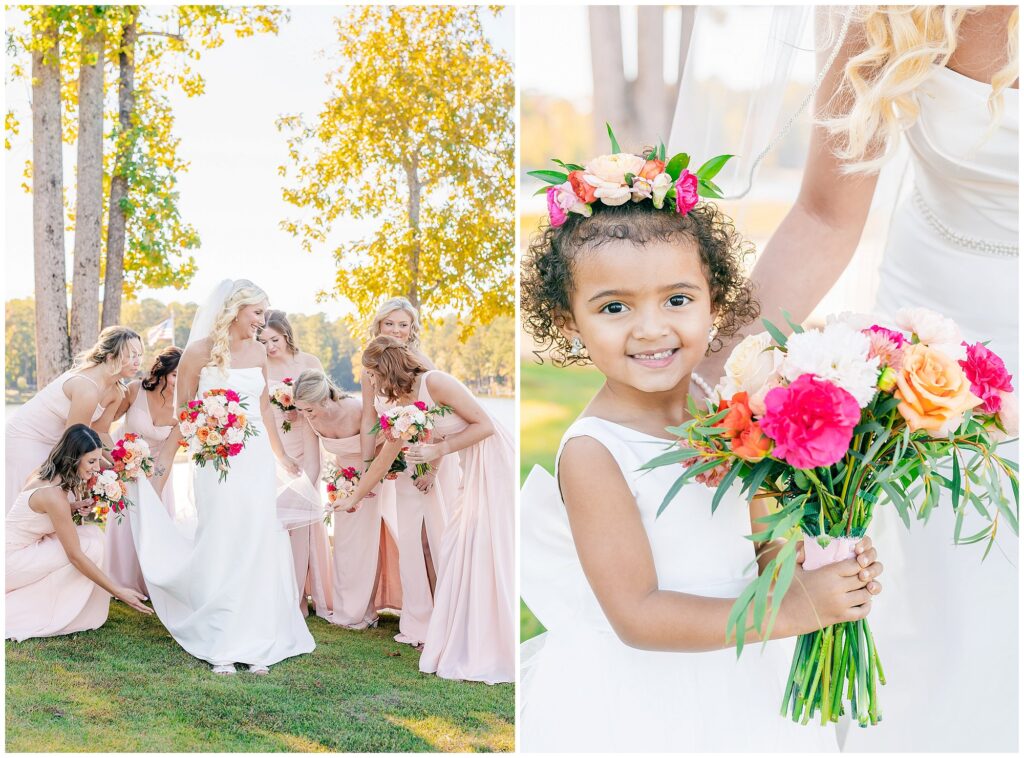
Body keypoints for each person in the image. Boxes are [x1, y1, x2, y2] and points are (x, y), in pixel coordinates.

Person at [691, 7, 1017, 751]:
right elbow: (824, 214)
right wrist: (714, 381)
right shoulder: (885, 8)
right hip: (932, 345)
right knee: (934, 625)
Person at [517, 140, 884, 750]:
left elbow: (771, 556)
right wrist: (795, 612)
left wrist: (827, 563)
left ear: (715, 298)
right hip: (651, 703)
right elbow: (638, 614)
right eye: (614, 307)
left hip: (749, 678)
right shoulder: (594, 452)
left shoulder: (732, 412)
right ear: (567, 323)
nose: (652, 327)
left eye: (678, 299)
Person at [138, 279, 315, 675]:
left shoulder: (257, 352)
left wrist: (281, 455)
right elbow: (183, 410)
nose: (261, 321)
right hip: (213, 459)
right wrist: (206, 433)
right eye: (256, 312)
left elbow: (265, 408)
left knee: (255, 537)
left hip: (253, 459)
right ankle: (219, 634)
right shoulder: (198, 353)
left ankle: (254, 636)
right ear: (235, 310)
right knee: (222, 536)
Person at [6, 424, 152, 641]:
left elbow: (33, 514)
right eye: (91, 461)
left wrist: (71, 507)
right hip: (11, 563)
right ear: (74, 458)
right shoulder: (53, 494)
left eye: (97, 460)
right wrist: (118, 590)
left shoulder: (46, 473)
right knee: (88, 546)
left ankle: (62, 603)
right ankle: (38, 609)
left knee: (92, 535)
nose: (96, 467)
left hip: (19, 549)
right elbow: (75, 556)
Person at [292, 369, 402, 630]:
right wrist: (302, 495)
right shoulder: (311, 421)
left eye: (309, 409)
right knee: (344, 547)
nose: (305, 415)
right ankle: (345, 609)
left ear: (323, 399)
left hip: (372, 480)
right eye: (302, 410)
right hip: (341, 484)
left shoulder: (355, 409)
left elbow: (382, 446)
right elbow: (312, 465)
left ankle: (367, 610)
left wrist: (366, 483)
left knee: (368, 544)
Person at [6, 326, 143, 513]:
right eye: (132, 355)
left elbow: (100, 431)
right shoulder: (87, 389)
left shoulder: (116, 392)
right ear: (111, 357)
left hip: (60, 441)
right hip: (27, 438)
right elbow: (76, 444)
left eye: (140, 355)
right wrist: (106, 470)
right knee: (32, 504)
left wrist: (122, 465)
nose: (138, 362)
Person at [261, 310, 333, 619]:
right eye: (262, 341)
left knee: (303, 520)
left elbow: (325, 400)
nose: (270, 347)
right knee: (277, 522)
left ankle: (300, 597)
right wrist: (280, 455)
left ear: (286, 335)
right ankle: (280, 591)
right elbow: (264, 413)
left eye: (274, 340)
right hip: (276, 445)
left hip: (307, 439)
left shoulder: (310, 362)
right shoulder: (260, 366)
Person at [104, 346, 182, 595]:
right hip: (123, 465)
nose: (178, 382)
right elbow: (104, 424)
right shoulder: (135, 390)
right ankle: (120, 581)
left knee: (153, 520)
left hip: (157, 470)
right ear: (162, 373)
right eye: (175, 375)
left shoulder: (185, 408)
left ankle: (151, 580)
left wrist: (156, 491)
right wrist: (111, 459)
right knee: (123, 524)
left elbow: (168, 454)